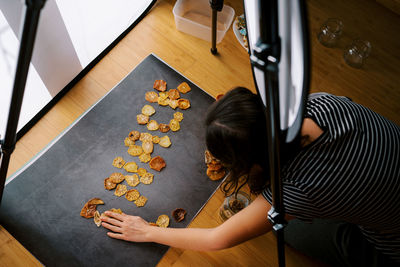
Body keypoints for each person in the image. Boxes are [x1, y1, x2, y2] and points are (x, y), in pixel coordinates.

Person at [101, 87, 400, 266]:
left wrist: (148, 231)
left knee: (287, 231)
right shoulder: (320, 103)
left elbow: (218, 238)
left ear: (250, 161)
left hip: (393, 246)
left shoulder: (296, 190)